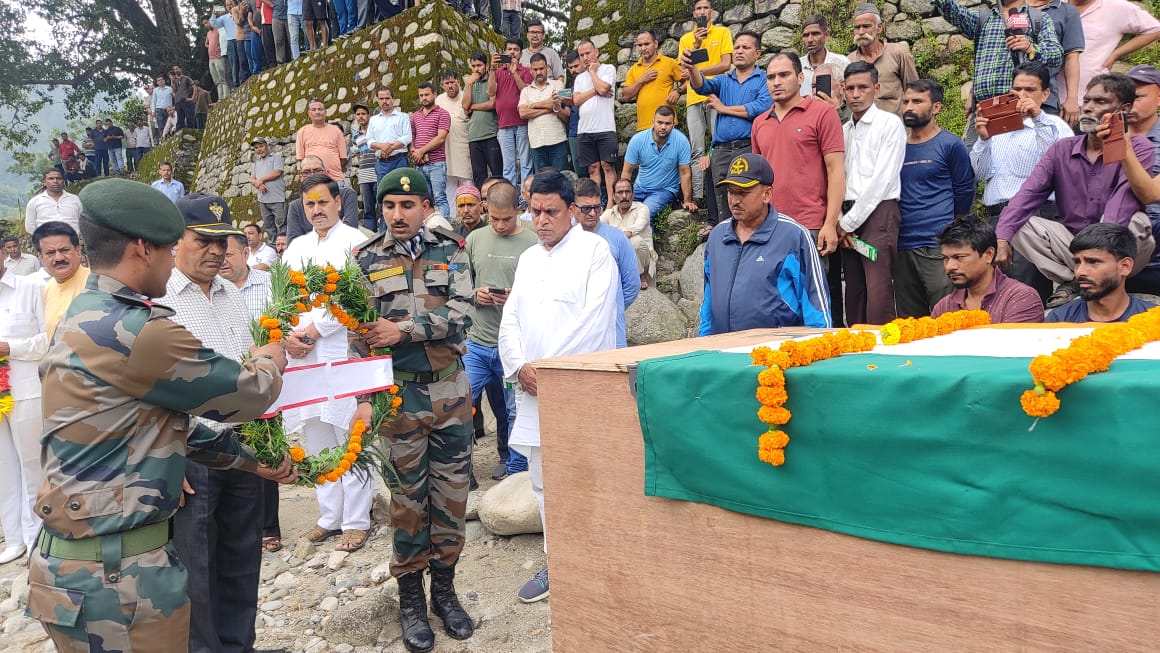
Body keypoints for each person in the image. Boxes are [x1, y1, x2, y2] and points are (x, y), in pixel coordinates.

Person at [28, 178, 292, 648]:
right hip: (117, 576)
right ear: (143, 249)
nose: (175, 261)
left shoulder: (90, 311)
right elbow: (250, 393)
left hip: (87, 566)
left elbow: (165, 423)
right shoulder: (136, 329)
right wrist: (272, 356)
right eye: (173, 248)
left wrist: (252, 461)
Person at [351, 168, 477, 652]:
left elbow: (463, 313)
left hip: (449, 392)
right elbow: (357, 338)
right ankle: (410, 599)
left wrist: (403, 331)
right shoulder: (363, 261)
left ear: (425, 207)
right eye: (388, 206)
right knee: (407, 502)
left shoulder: (452, 250)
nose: (397, 214)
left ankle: (444, 593)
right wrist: (364, 401)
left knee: (451, 497)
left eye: (407, 206)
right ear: (380, 210)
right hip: (398, 399)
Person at [167, 194, 290, 653]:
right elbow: (155, 395)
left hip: (244, 448)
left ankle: (239, 645)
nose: (216, 251)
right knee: (195, 567)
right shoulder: (159, 302)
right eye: (204, 240)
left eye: (224, 241)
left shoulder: (232, 295)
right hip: (192, 454)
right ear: (176, 240)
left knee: (241, 557)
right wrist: (169, 461)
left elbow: (249, 369)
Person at [498, 171, 619, 605]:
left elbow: (596, 322)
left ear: (572, 210)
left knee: (590, 474)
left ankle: (601, 558)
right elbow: (509, 320)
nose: (542, 220)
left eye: (551, 211)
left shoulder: (595, 250)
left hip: (578, 387)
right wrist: (520, 367)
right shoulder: (529, 258)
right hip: (531, 390)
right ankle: (558, 560)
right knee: (543, 481)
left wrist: (548, 372)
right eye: (535, 211)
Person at [996, 74, 1156, 307]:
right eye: (1087, 100)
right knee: (1017, 223)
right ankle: (1074, 281)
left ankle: (1098, 276)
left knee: (1138, 222)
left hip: (1120, 242)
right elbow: (1028, 195)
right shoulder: (1062, 149)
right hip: (1074, 245)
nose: (1089, 108)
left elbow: (1122, 203)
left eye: (1100, 102)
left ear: (1124, 108)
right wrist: (1002, 237)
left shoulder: (1140, 147)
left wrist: (1101, 247)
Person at [281, 175, 373, 553]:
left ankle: (357, 519)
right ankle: (329, 517)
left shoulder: (356, 241)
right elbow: (281, 297)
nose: (316, 210)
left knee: (348, 432)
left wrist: (318, 329)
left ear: (338, 201)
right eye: (309, 205)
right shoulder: (295, 248)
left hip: (340, 349)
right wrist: (289, 335)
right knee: (316, 433)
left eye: (322, 202)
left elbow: (359, 297)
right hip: (301, 354)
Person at [699, 153, 831, 334]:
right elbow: (708, 303)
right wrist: (702, 345)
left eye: (743, 193)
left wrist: (818, 349)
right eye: (730, 192)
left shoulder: (794, 236)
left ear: (767, 194)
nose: (735, 200)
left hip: (775, 354)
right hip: (722, 353)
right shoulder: (717, 238)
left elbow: (817, 307)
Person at [972, 62, 1074, 297]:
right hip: (993, 218)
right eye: (1016, 89)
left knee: (1025, 292)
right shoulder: (998, 127)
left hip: (1029, 219)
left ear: (1045, 94)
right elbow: (978, 175)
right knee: (991, 292)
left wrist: (1038, 118)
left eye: (1030, 90)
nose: (1022, 96)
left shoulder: (1055, 125)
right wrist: (984, 140)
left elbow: (1059, 165)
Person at [463, 181, 537, 480]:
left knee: (513, 410)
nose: (500, 224)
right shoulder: (475, 239)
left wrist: (516, 298)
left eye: (507, 218)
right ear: (486, 210)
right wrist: (474, 294)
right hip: (477, 344)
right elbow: (457, 285)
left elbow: (543, 293)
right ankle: (460, 468)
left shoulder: (532, 243)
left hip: (514, 346)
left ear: (519, 209)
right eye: (494, 218)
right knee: (459, 403)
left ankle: (515, 469)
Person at [751, 51, 846, 272]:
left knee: (809, 298)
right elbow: (758, 178)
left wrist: (830, 223)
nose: (777, 82)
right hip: (769, 223)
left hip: (809, 223)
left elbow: (836, 170)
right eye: (771, 77)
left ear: (800, 78)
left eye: (784, 75)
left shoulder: (823, 114)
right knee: (772, 297)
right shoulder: (759, 123)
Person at [896, 80, 975, 317]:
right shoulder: (895, 145)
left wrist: (950, 232)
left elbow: (964, 191)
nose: (909, 107)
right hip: (901, 246)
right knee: (910, 322)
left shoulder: (950, 145)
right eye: (906, 101)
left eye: (918, 101)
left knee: (946, 315)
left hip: (937, 247)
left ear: (936, 107)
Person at [839, 61, 907, 325]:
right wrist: (838, 220)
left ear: (876, 88)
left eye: (863, 87)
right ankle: (855, 345)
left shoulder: (889, 124)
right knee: (854, 287)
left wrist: (847, 223)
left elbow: (882, 179)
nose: (856, 94)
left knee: (878, 286)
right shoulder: (844, 130)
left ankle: (880, 349)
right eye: (850, 88)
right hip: (846, 213)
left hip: (879, 214)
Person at [682, 30, 771, 226]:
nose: (739, 51)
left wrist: (724, 108)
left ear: (758, 53)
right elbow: (701, 86)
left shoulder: (764, 79)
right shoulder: (724, 80)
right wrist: (691, 68)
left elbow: (760, 108)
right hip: (721, 151)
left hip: (747, 148)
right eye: (737, 47)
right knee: (724, 201)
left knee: (749, 199)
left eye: (745, 47)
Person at [932, 0, 1063, 127]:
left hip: (1019, 109)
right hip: (984, 111)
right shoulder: (983, 17)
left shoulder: (1038, 18)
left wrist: (1030, 48)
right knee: (975, 149)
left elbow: (1056, 54)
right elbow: (952, 11)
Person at [0, 237, 46, 564]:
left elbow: (48, 339)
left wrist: (10, 348)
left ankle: (39, 537)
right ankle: (14, 538)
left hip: (24, 389)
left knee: (32, 464)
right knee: (3, 468)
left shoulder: (29, 288)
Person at [931, 219, 1044, 322]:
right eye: (945, 258)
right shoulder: (943, 307)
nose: (949, 266)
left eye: (959, 257)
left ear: (989, 255)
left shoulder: (1020, 298)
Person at [679, 0, 734, 209]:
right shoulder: (686, 39)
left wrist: (698, 72)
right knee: (696, 148)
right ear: (694, 14)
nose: (702, 11)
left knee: (718, 142)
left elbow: (725, 64)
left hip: (715, 94)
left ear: (712, 11)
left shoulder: (722, 33)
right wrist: (696, 44)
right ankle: (699, 196)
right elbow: (684, 69)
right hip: (693, 98)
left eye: (705, 8)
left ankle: (720, 189)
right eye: (698, 9)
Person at [574, 178, 641, 348]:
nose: (592, 213)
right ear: (572, 208)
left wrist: (611, 306)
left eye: (597, 207)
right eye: (586, 208)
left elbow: (632, 284)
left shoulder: (617, 238)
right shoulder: (565, 239)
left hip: (612, 332)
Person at [1046, 223, 1155, 322]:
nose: (1080, 272)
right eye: (1077, 262)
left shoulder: (1154, 320)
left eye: (1093, 262)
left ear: (1125, 266)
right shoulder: (1059, 320)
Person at [1071, 0, 1160, 102]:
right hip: (1052, 93)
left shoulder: (1117, 7)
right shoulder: (1055, 4)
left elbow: (1154, 29)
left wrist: (1116, 54)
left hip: (1090, 94)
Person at [621, 106, 697, 220]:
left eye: (667, 124)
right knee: (622, 212)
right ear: (653, 122)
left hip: (664, 190)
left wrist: (687, 201)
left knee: (646, 212)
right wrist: (624, 194)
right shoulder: (638, 140)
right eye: (659, 122)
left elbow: (685, 173)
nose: (663, 127)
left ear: (673, 124)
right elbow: (626, 172)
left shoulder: (681, 141)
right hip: (639, 188)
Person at [1123, 65, 1160, 295]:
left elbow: (1151, 194)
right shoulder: (1102, 135)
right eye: (1125, 98)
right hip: (1112, 225)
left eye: (1138, 97)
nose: (1130, 104)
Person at [846, 3, 919, 117]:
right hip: (863, 129)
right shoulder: (849, 61)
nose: (861, 32)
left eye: (866, 26)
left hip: (895, 128)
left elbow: (914, 91)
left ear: (879, 28)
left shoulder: (898, 53)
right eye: (857, 27)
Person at [573, 39, 620, 202]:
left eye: (587, 53)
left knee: (608, 166)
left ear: (596, 52)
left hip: (605, 127)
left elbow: (604, 88)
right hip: (585, 130)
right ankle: (596, 203)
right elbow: (576, 100)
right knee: (592, 169)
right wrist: (595, 90)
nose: (585, 58)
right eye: (581, 55)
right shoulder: (579, 78)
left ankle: (611, 204)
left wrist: (593, 72)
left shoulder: (608, 69)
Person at [1025, 0, 1085, 123]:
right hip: (1006, 94)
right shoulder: (1012, 7)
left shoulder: (1067, 12)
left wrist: (1072, 99)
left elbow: (1071, 58)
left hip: (1045, 97)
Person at [32, 221, 90, 339]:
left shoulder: (95, 283)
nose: (58, 258)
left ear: (78, 251)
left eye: (64, 250)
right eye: (50, 253)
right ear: (41, 257)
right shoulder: (49, 287)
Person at [489, 40, 534, 188]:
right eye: (509, 49)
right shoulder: (498, 71)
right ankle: (511, 197)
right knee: (508, 166)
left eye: (516, 49)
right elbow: (491, 92)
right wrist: (491, 69)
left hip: (522, 122)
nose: (512, 52)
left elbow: (526, 92)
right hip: (504, 124)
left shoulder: (526, 71)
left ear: (521, 53)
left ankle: (524, 196)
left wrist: (514, 73)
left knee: (526, 163)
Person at [622, 29, 683, 134]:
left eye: (646, 44)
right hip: (644, 126)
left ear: (655, 44)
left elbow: (689, 81)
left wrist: (678, 91)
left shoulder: (669, 63)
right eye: (640, 45)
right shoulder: (633, 70)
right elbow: (626, 96)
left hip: (667, 123)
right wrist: (641, 80)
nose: (643, 48)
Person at [286, 156, 361, 240]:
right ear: (301, 178)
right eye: (306, 172)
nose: (312, 175)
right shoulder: (295, 207)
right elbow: (293, 243)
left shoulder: (346, 195)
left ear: (326, 173)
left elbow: (350, 231)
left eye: (317, 171)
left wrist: (310, 240)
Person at [519, 53, 571, 173]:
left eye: (541, 68)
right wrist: (548, 108)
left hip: (557, 140)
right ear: (530, 71)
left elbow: (565, 112)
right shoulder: (526, 91)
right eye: (535, 69)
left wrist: (532, 105)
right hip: (536, 143)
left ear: (547, 68)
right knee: (542, 183)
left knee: (561, 179)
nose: (538, 72)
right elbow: (522, 113)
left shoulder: (558, 85)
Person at [601, 179, 658, 289]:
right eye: (620, 193)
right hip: (620, 261)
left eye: (627, 192)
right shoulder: (609, 214)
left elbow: (639, 225)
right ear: (613, 196)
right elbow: (597, 228)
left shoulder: (642, 209)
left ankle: (640, 276)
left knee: (634, 241)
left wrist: (618, 236)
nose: (624, 196)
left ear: (633, 194)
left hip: (643, 261)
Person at [411, 81, 452, 219]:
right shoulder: (415, 116)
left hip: (436, 164)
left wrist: (421, 151)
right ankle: (427, 229)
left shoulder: (443, 114)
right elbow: (411, 138)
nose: (424, 98)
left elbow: (441, 138)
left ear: (434, 94)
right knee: (424, 200)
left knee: (439, 198)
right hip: (419, 164)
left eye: (427, 94)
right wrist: (414, 152)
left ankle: (444, 230)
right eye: (421, 95)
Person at [464, 53, 504, 189]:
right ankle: (481, 206)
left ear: (486, 66)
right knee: (478, 175)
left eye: (479, 65)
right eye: (473, 66)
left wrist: (473, 106)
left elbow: (492, 104)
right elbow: (464, 106)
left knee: (497, 173)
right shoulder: (470, 83)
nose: (476, 69)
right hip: (474, 137)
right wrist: (469, 83)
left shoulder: (492, 79)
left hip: (491, 134)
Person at [436, 71, 475, 205]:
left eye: (452, 82)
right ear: (442, 86)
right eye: (447, 83)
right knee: (449, 187)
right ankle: (452, 219)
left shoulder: (466, 96)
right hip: (445, 150)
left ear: (458, 82)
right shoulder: (439, 100)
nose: (450, 86)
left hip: (464, 147)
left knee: (467, 184)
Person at [296, 99, 348, 184]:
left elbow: (343, 158)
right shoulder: (302, 132)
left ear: (325, 112)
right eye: (313, 109)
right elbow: (301, 160)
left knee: (337, 197)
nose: (317, 112)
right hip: (312, 181)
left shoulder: (336, 130)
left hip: (335, 179)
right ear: (309, 113)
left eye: (320, 109)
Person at [368, 87, 413, 186]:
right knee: (383, 193)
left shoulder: (403, 117)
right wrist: (381, 147)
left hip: (400, 160)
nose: (384, 101)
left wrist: (389, 148)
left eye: (387, 98)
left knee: (403, 191)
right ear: (378, 101)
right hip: (382, 163)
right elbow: (369, 141)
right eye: (381, 99)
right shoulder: (373, 120)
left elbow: (407, 137)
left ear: (393, 99)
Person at [800, 15, 850, 99]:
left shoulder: (842, 63)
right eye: (806, 35)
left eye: (815, 34)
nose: (810, 40)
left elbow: (850, 94)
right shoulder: (797, 66)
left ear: (826, 35)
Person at [351, 103, 382, 230]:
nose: (360, 117)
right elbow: (358, 154)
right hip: (364, 175)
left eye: (363, 114)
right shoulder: (355, 135)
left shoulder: (376, 130)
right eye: (358, 114)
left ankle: (384, 235)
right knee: (368, 209)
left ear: (369, 115)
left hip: (377, 172)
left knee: (382, 206)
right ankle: (371, 237)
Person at [250, 137, 288, 241]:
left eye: (261, 146)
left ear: (267, 146)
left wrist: (261, 180)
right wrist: (258, 184)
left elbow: (277, 173)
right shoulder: (256, 163)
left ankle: (283, 247)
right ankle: (273, 248)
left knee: (282, 225)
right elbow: (252, 179)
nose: (259, 149)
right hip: (263, 200)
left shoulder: (276, 158)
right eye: (256, 148)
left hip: (277, 199)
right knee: (269, 226)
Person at [25, 168, 83, 233]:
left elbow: (83, 222)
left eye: (59, 178)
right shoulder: (35, 202)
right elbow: (30, 227)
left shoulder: (75, 200)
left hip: (73, 242)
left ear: (63, 181)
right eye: (51, 178)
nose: (55, 181)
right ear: (44, 182)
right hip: (46, 242)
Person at [172, 66, 196, 131]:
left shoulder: (186, 78)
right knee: (180, 119)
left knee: (190, 118)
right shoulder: (176, 81)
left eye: (177, 69)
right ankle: (180, 134)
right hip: (178, 102)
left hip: (185, 100)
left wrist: (192, 98)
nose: (176, 71)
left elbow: (194, 87)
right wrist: (172, 81)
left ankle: (192, 132)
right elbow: (174, 91)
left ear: (180, 69)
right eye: (174, 70)